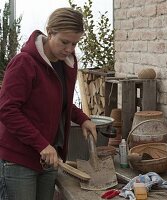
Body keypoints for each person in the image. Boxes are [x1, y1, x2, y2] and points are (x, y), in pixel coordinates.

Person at [0, 7, 98, 200]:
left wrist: (82, 118)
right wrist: (42, 144)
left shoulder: (66, 63)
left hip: (49, 159)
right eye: (64, 42)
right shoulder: (24, 63)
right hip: (19, 161)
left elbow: (60, 102)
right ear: (50, 31)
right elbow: (6, 110)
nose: (69, 49)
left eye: (74, 43)